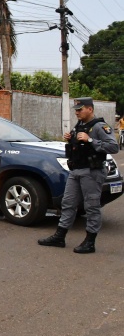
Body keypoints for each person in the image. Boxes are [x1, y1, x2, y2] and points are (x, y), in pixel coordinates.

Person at [38, 97, 119, 253]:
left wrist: (90, 140)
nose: (77, 112)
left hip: (92, 172)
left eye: (80, 109)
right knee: (67, 203)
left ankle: (90, 242)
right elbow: (78, 148)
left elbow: (113, 147)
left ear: (90, 109)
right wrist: (71, 140)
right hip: (76, 170)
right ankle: (60, 236)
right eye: (76, 109)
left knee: (91, 206)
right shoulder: (80, 125)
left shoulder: (99, 126)